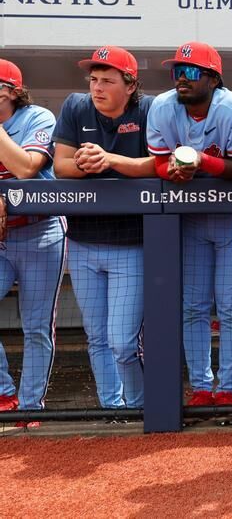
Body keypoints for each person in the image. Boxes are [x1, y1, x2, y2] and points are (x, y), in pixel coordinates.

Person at [147, 43, 232, 408]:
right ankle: (202, 387)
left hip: (229, 219)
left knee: (229, 307)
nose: (181, 80)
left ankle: (227, 389)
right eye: (177, 72)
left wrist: (203, 162)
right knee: (192, 305)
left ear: (212, 78)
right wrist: (171, 171)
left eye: (190, 72)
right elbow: (157, 162)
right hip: (190, 220)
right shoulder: (162, 107)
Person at [53, 46, 154, 412]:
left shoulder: (149, 108)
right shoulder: (75, 106)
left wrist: (109, 159)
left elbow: (160, 164)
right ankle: (111, 410)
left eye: (108, 80)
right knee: (96, 337)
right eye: (94, 79)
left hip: (133, 242)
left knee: (123, 341)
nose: (97, 87)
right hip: (83, 239)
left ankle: (141, 406)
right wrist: (88, 163)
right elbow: (62, 167)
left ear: (129, 85)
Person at [0, 60, 66, 428]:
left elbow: (26, 168)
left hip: (39, 232)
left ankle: (30, 405)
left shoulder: (37, 117)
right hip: (1, 235)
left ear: (8, 91)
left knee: (36, 326)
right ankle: (4, 393)